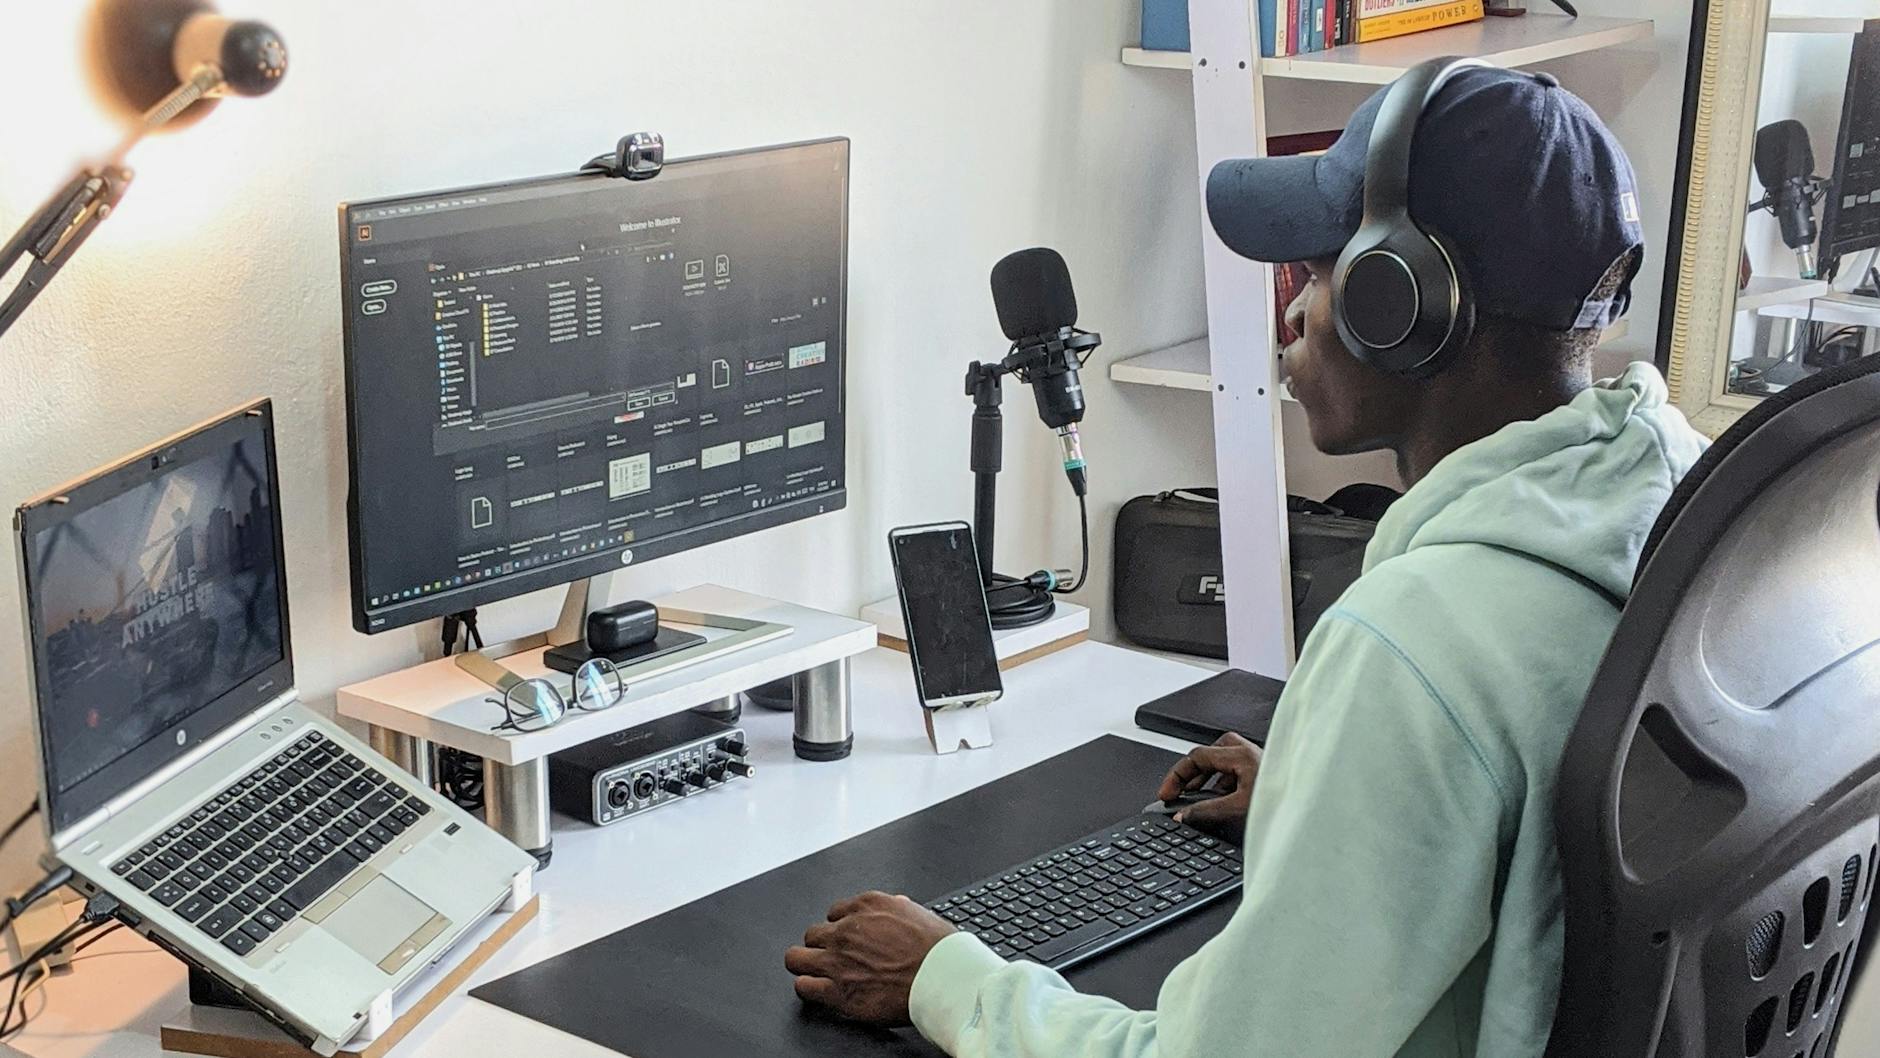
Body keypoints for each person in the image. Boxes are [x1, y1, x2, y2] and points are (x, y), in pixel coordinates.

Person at [785, 64, 1709, 1056]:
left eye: (1315, 274)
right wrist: (1326, 805)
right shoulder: (1672, 500)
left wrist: (943, 973)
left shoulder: (1417, 643)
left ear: (1403, 302)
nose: (1290, 316)